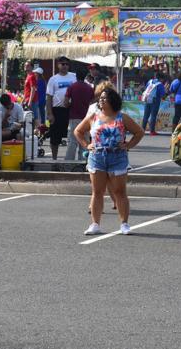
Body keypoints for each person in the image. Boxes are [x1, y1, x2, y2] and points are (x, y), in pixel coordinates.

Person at [75, 86, 143, 236]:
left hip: (117, 157)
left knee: (120, 192)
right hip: (97, 157)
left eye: (104, 98)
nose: (101, 100)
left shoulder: (122, 117)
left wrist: (128, 145)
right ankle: (95, 224)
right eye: (100, 98)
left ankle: (124, 223)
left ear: (113, 101)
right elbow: (78, 131)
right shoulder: (93, 116)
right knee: (97, 192)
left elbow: (139, 132)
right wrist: (87, 145)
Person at [45, 58, 76, 161]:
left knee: (72, 136)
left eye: (67, 64)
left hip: (71, 110)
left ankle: (71, 159)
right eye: (62, 64)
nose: (65, 66)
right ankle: (54, 159)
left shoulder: (74, 77)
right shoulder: (53, 79)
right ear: (58, 65)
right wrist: (50, 114)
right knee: (55, 137)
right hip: (57, 110)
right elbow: (49, 97)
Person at [65, 73, 96, 163]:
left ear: (76, 77)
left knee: (72, 142)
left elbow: (65, 103)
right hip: (86, 118)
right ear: (85, 76)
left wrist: (71, 104)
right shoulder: (89, 88)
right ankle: (83, 162)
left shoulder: (72, 86)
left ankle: (68, 163)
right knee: (84, 141)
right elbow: (92, 102)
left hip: (74, 117)